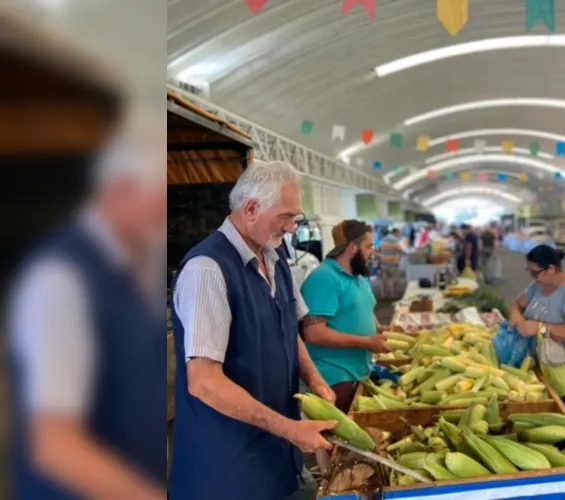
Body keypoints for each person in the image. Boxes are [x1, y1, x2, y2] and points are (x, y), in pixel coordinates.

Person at [8, 126, 168, 499]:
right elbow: (53, 444)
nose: (164, 219)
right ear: (120, 189)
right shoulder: (60, 279)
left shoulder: (131, 266)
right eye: (159, 202)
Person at [170, 161, 337, 499]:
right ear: (250, 209)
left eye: (295, 218)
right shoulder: (208, 270)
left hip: (276, 454)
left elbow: (288, 329)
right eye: (286, 216)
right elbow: (203, 381)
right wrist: (289, 428)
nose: (291, 228)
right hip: (228, 467)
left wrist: (316, 381)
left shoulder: (274, 260)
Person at [300, 220, 392, 414]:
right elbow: (314, 333)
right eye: (368, 246)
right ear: (352, 247)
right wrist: (365, 341)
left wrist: (379, 328)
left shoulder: (358, 275)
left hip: (356, 374)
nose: (372, 251)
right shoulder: (324, 278)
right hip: (332, 380)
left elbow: (364, 308)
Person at [509, 245, 565, 423]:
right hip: (539, 370)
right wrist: (516, 316)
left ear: (552, 269)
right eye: (529, 271)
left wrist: (540, 328)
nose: (532, 277)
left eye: (535, 272)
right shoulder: (538, 285)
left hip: (562, 375)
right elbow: (516, 304)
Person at [377, 228, 404, 299]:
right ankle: (392, 294)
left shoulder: (383, 239)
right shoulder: (395, 240)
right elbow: (400, 250)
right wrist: (399, 258)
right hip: (392, 263)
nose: (399, 235)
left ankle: (383, 294)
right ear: (395, 233)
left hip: (383, 263)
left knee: (384, 279)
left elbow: (378, 249)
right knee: (393, 278)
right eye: (398, 233)